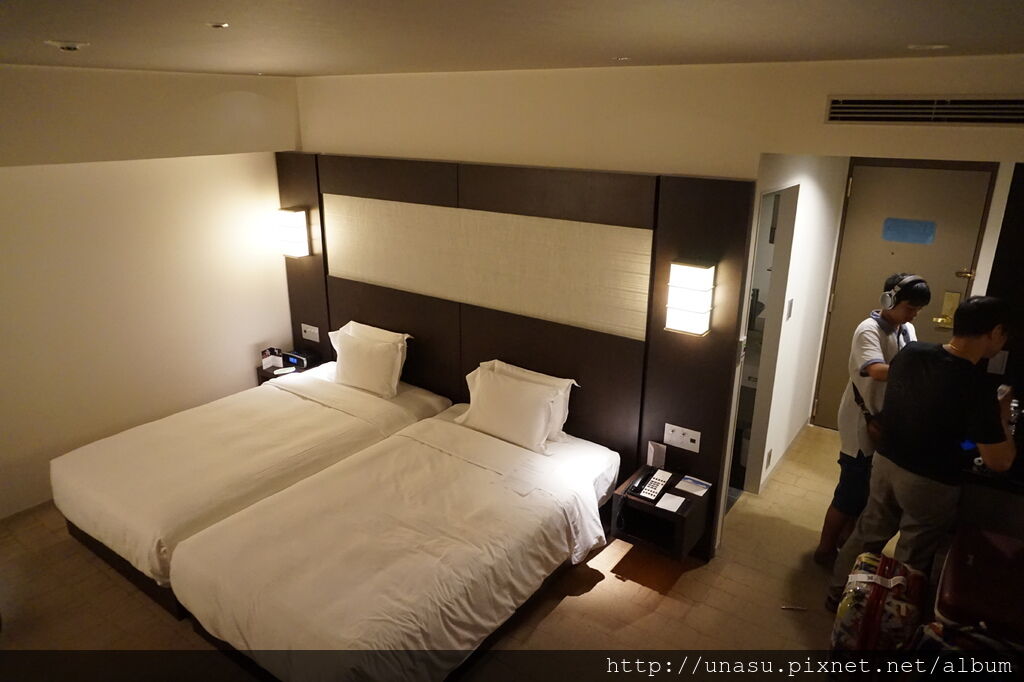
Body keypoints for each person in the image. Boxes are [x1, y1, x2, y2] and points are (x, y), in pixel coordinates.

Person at [827, 296, 1016, 609]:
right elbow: (999, 461)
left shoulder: (912, 353)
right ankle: (892, 617)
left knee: (868, 532)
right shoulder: (977, 387)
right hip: (930, 480)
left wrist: (968, 438)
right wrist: (1003, 415)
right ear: (994, 332)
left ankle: (837, 594)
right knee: (912, 554)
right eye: (1004, 334)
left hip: (886, 461)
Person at [814, 273, 931, 566]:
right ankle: (824, 550)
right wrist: (922, 370)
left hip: (885, 416)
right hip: (860, 418)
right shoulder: (868, 330)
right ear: (888, 300)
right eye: (910, 307)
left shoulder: (906, 330)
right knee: (850, 490)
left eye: (918, 309)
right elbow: (877, 371)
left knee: (868, 489)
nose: (914, 314)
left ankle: (847, 541)